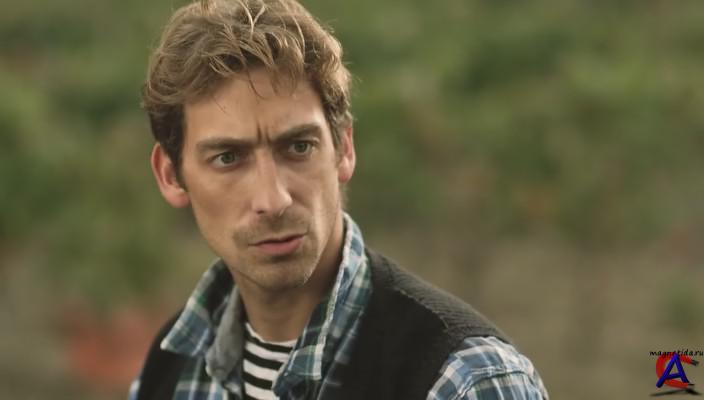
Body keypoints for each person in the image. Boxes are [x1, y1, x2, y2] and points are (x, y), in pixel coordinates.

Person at [129, 0, 549, 399]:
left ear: (344, 148)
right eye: (228, 158)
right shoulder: (169, 371)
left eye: (298, 147)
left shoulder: (465, 381)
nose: (273, 200)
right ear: (171, 175)